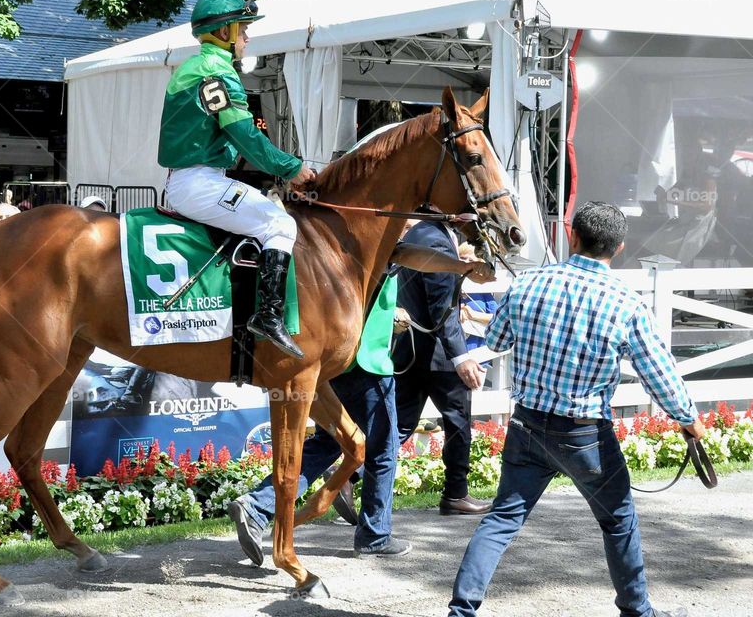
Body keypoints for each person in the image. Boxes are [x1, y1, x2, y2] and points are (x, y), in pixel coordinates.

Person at [447, 202, 706, 617]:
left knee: (501, 520)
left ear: (573, 236)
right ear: (618, 247)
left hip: (527, 425)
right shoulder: (626, 303)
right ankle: (638, 611)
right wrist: (688, 419)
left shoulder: (528, 283)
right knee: (618, 521)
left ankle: (461, 611)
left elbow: (496, 336)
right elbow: (658, 372)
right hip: (585, 434)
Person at [229, 239, 496, 564]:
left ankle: (257, 506)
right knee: (383, 447)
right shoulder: (386, 234)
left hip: (335, 360)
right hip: (364, 358)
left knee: (328, 443)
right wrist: (462, 267)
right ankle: (374, 535)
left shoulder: (341, 235)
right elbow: (407, 254)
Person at [158, 0, 315, 359]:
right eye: (243, 29)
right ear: (225, 31)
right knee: (280, 225)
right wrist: (291, 168)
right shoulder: (216, 71)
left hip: (192, 179)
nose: (247, 37)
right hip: (198, 182)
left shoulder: (195, 67)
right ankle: (269, 316)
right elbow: (244, 134)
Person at [393, 220, 492, 516]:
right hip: (439, 355)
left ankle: (350, 476)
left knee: (398, 426)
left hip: (410, 351)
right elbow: (441, 308)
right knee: (458, 424)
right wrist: (461, 357)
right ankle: (455, 493)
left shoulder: (420, 233)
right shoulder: (436, 240)